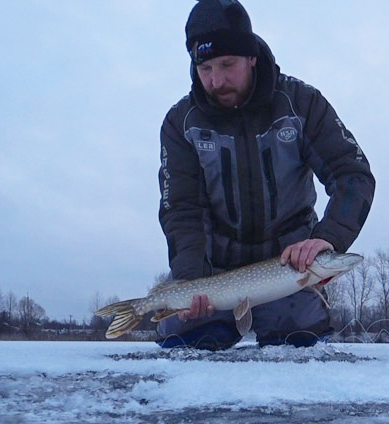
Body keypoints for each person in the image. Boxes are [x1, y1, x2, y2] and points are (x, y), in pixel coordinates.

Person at [157, 0, 375, 350]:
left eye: (227, 65)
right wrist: (190, 276)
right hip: (214, 269)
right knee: (188, 343)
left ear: (251, 57)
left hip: (290, 265)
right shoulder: (181, 123)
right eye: (205, 67)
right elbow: (182, 209)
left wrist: (328, 238)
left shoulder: (301, 104)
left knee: (299, 345)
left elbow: (353, 176)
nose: (216, 80)